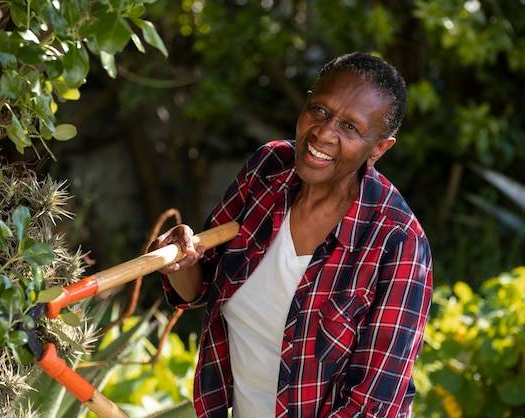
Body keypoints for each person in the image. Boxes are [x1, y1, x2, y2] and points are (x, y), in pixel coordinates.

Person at [150, 51, 433, 418]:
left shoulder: (398, 244)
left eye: (350, 127)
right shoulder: (267, 170)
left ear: (379, 148)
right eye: (320, 110)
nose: (324, 133)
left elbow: (372, 406)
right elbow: (203, 287)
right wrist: (180, 260)